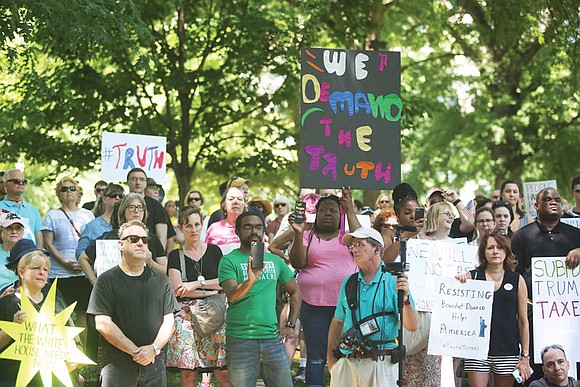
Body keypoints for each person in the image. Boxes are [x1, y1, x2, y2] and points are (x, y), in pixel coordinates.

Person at [87, 220, 177, 387]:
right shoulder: (106, 280)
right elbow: (102, 323)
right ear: (120, 245)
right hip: (117, 366)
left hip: (154, 363)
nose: (141, 243)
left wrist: (153, 349)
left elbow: (169, 322)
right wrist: (136, 351)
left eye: (145, 239)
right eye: (134, 239)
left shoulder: (161, 281)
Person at [327, 227, 419, 386]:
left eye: (359, 245)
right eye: (352, 246)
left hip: (381, 363)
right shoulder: (349, 282)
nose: (354, 249)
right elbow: (338, 321)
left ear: (377, 248)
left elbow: (412, 326)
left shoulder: (393, 280)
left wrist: (405, 300)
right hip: (348, 362)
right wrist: (331, 359)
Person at [218, 212, 301, 386]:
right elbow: (232, 295)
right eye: (247, 227)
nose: (254, 231)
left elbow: (295, 292)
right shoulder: (228, 260)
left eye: (258, 227)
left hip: (272, 339)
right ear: (238, 231)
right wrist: (250, 280)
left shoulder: (274, 260)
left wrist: (290, 325)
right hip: (241, 340)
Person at [288, 191, 360, 387]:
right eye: (323, 210)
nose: (327, 214)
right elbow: (297, 262)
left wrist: (350, 209)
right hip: (313, 305)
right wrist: (296, 232)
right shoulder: (305, 235)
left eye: (333, 210)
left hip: (346, 306)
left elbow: (364, 241)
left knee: (346, 353)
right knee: (316, 355)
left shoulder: (349, 238)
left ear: (340, 215)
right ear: (316, 214)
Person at [511, 187, 580, 385]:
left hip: (571, 314)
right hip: (536, 314)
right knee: (541, 365)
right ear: (536, 206)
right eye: (548, 199)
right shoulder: (521, 237)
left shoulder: (575, 235)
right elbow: (515, 277)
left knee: (570, 361)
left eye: (557, 200)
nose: (553, 203)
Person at [456, 232, 530, 387]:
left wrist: (525, 356)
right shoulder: (473, 277)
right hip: (476, 348)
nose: (495, 251)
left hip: (507, 349)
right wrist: (460, 282)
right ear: (483, 252)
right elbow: (457, 307)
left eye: (500, 247)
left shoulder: (517, 280)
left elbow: (523, 321)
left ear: (507, 251)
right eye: (490, 247)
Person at [165, 206, 228, 386]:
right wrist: (210, 290)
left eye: (196, 224)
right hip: (186, 317)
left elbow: (223, 282)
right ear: (180, 228)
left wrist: (195, 284)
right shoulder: (175, 256)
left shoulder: (215, 251)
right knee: (188, 374)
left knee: (223, 371)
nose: (193, 229)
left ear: (202, 226)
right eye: (188, 226)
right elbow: (177, 289)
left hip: (215, 312)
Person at [0, 247, 69, 385]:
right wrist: (13, 327)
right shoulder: (6, 303)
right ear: (21, 273)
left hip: (50, 378)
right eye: (36, 268)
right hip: (13, 377)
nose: (41, 273)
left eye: (45, 270)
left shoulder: (57, 303)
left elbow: (67, 341)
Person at [79, 193, 167, 284]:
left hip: (147, 290)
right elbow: (82, 258)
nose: (136, 211)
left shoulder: (153, 239)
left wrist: (151, 263)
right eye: (131, 207)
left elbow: (165, 271)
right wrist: (95, 282)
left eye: (140, 207)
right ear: (123, 211)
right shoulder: (109, 237)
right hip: (114, 291)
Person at [42, 177, 94, 326]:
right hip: (59, 273)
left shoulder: (87, 215)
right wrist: (63, 261)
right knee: (59, 314)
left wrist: (85, 262)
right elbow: (48, 243)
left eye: (72, 188)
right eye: (64, 189)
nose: (68, 192)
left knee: (83, 313)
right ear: (58, 194)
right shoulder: (52, 215)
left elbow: (93, 242)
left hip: (83, 272)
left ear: (78, 193)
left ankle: (85, 349)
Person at [126, 168, 175, 251]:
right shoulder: (120, 204)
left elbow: (162, 237)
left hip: (151, 254)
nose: (138, 182)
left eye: (141, 179)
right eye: (134, 179)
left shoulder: (156, 206)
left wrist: (159, 256)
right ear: (128, 182)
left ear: (145, 184)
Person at [75, 184, 124, 259]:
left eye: (121, 196)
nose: (117, 198)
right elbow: (80, 253)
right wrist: (90, 270)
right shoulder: (93, 225)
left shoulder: (128, 223)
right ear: (104, 199)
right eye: (113, 195)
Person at [0, 169, 43, 247]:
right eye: (16, 181)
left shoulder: (33, 210)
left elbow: (39, 238)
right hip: (4, 257)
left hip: (30, 256)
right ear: (5, 184)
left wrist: (38, 253)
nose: (21, 184)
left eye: (23, 182)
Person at [205, 186, 247, 255]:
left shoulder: (252, 228)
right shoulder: (214, 228)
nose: (235, 202)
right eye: (231, 199)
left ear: (244, 205)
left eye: (239, 199)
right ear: (223, 205)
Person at [0, 213, 25, 294]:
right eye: (9, 228)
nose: (14, 231)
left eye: (18, 228)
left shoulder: (29, 254)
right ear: (1, 231)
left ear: (22, 231)